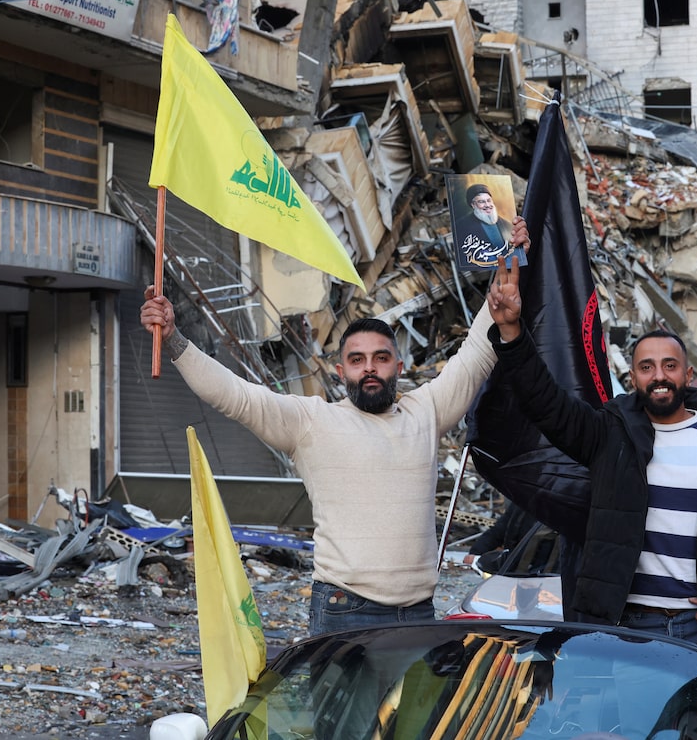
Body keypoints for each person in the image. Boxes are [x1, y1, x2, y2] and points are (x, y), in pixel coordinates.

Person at [139, 218, 530, 636]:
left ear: (399, 367)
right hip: (346, 612)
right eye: (357, 360)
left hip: (417, 614)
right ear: (341, 371)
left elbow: (476, 353)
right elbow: (235, 396)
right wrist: (174, 338)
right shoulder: (311, 422)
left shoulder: (426, 412)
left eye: (381, 358)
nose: (370, 369)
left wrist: (507, 263)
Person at [482, 258, 697, 651]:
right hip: (627, 630)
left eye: (669, 366)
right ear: (633, 378)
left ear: (688, 375)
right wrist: (511, 331)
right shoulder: (609, 433)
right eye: (647, 367)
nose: (659, 376)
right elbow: (546, 403)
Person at [453, 183, 526, 268]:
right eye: (481, 202)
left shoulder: (507, 225)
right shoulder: (461, 226)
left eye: (489, 200)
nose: (487, 205)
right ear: (473, 205)